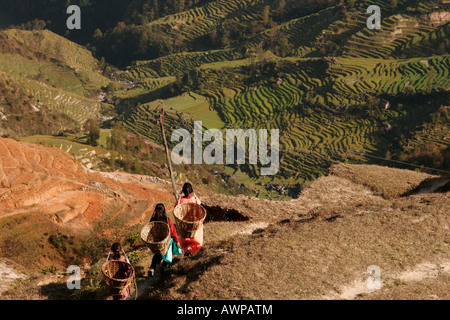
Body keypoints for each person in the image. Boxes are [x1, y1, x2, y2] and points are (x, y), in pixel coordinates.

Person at [148, 203, 181, 277]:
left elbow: (149, 230)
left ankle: (152, 268)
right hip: (166, 242)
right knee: (168, 254)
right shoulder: (167, 220)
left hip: (157, 241)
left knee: (157, 255)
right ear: (164, 211)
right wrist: (177, 241)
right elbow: (173, 232)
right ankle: (163, 269)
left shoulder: (153, 220)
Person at [175, 183, 204, 256]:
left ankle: (186, 251)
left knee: (185, 242)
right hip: (194, 226)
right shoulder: (195, 199)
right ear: (191, 190)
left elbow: (176, 210)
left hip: (184, 227)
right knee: (197, 241)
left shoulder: (180, 200)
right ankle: (191, 250)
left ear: (183, 191)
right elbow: (201, 209)